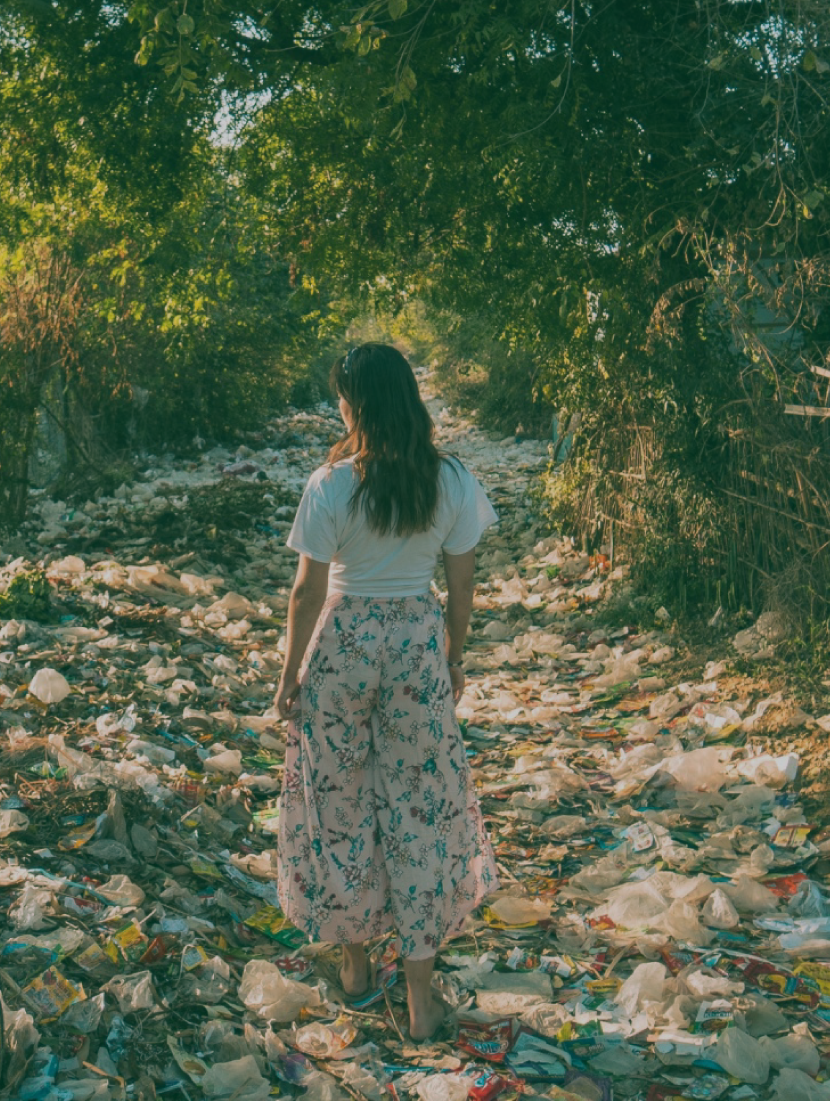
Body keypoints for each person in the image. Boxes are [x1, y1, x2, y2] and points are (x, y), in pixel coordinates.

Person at [274, 342, 500, 1041]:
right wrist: (454, 656)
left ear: (357, 403)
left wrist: (288, 677)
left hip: (341, 648)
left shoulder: (331, 483)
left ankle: (355, 969)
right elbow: (461, 586)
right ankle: (423, 998)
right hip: (414, 643)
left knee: (339, 803)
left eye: (342, 396)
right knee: (417, 812)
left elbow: (309, 591)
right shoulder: (453, 480)